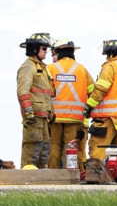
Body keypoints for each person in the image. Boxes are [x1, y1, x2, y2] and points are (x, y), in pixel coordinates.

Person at [47, 40, 94, 172]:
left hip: (54, 118)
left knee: (54, 147)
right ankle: (75, 175)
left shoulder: (50, 68)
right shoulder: (82, 69)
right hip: (75, 118)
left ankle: (53, 176)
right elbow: (93, 91)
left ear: (57, 52)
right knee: (72, 148)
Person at [16, 33, 55, 169]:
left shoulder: (42, 68)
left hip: (43, 117)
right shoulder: (28, 67)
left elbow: (47, 94)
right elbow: (23, 91)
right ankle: (27, 177)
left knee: (44, 148)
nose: (46, 52)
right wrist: (28, 112)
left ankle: (41, 177)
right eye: (44, 49)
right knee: (32, 148)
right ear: (34, 49)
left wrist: (51, 111)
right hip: (34, 117)